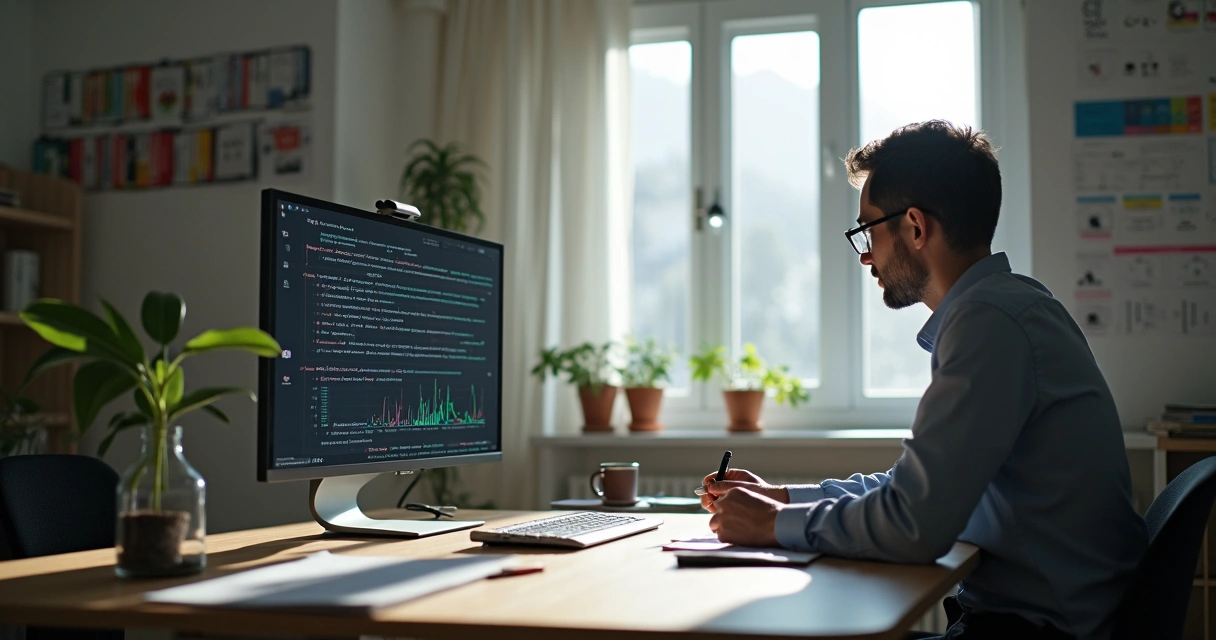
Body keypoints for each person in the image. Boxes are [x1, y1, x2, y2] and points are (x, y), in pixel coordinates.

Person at [699, 121, 1146, 640]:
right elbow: (911, 491)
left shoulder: (989, 324)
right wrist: (783, 498)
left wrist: (772, 526)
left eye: (868, 231)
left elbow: (914, 524)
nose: (865, 254)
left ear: (914, 227)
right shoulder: (1011, 306)